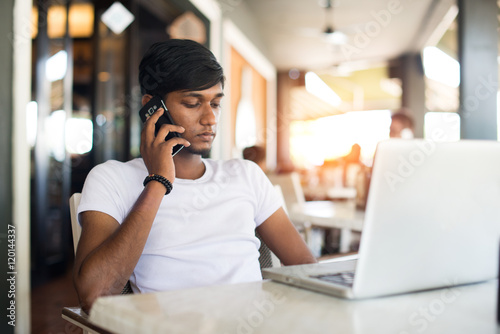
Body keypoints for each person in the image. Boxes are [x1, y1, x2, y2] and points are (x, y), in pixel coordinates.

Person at [73, 39, 316, 312]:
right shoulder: (111, 179)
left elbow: (304, 267)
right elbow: (94, 294)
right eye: (192, 103)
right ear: (152, 108)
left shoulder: (246, 175)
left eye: (215, 103)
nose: (210, 118)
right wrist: (158, 182)